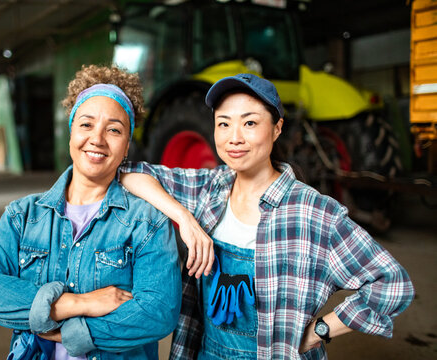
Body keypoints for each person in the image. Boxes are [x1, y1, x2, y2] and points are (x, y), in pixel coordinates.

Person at [119, 73, 415, 359]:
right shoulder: (208, 190)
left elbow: (392, 283)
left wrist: (321, 330)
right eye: (223, 124)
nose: (234, 138)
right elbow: (128, 173)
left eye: (250, 123)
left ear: (277, 128)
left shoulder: (312, 212)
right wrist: (184, 218)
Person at [0, 65, 181, 360]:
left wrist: (69, 332)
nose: (97, 138)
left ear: (126, 148)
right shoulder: (22, 216)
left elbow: (158, 311)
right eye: (86, 125)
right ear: (71, 133)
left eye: (114, 130)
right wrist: (76, 303)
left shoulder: (147, 222)